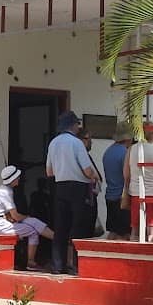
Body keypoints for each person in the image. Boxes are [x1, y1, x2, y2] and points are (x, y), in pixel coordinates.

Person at [45, 109, 98, 274]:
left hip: (60, 186)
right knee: (79, 226)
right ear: (72, 125)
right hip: (79, 187)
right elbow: (87, 170)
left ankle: (57, 264)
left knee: (61, 227)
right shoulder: (76, 143)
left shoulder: (53, 143)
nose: (78, 127)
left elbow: (49, 172)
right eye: (77, 123)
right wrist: (95, 177)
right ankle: (76, 264)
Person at [0, 165, 54, 267]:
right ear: (13, 179)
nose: (19, 178)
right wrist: (27, 217)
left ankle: (56, 238)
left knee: (33, 222)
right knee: (33, 230)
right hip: (0, 225)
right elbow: (16, 216)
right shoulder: (5, 192)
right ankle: (31, 261)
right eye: (18, 177)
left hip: (4, 221)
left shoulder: (5, 189)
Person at [126, 122, 153, 242]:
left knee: (135, 229)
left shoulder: (132, 149)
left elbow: (126, 173)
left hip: (135, 191)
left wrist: (126, 190)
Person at [102, 132, 132, 238]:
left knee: (113, 231)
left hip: (110, 195)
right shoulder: (125, 152)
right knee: (125, 233)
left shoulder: (108, 151)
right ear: (128, 139)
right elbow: (127, 175)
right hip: (122, 197)